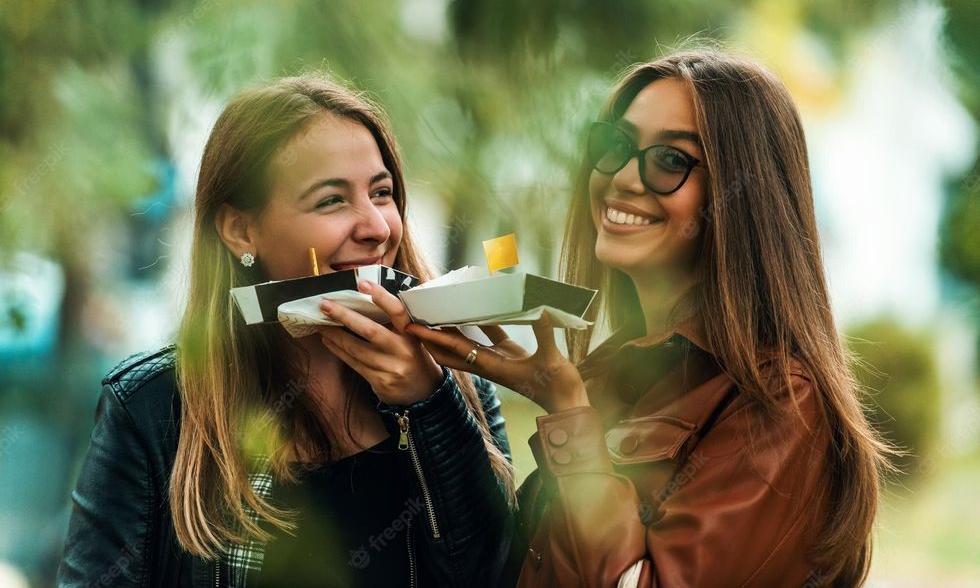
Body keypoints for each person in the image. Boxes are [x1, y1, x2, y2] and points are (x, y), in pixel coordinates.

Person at [410, 47, 889, 587]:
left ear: (742, 195)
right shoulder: (610, 369)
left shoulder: (780, 399)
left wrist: (569, 412)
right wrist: (430, 398)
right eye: (615, 146)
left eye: (670, 160)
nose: (623, 179)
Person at [57, 75, 515, 587]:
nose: (376, 227)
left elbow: (491, 575)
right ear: (240, 231)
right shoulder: (153, 408)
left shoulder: (457, 385)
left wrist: (430, 403)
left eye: (381, 193)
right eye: (331, 201)